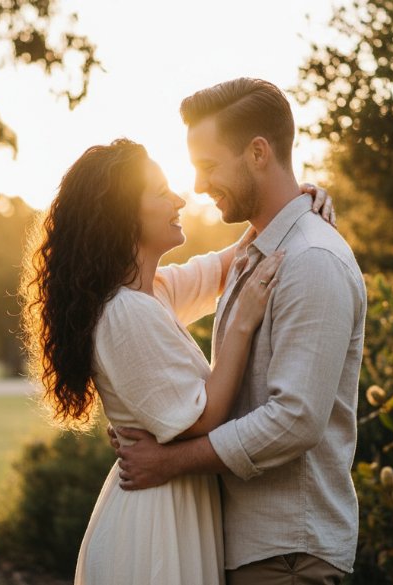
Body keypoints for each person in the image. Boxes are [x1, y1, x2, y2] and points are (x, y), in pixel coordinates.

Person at [20, 138, 334, 584]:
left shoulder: (153, 292)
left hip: (171, 505)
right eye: (162, 192)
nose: (179, 199)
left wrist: (295, 203)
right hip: (156, 524)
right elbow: (204, 417)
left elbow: (230, 264)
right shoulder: (127, 312)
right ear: (123, 213)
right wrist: (242, 322)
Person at [112, 78, 367, 584]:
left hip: (289, 554)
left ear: (257, 153)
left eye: (208, 167)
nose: (199, 186)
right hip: (257, 548)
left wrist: (170, 462)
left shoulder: (312, 260)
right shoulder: (260, 254)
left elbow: (295, 420)